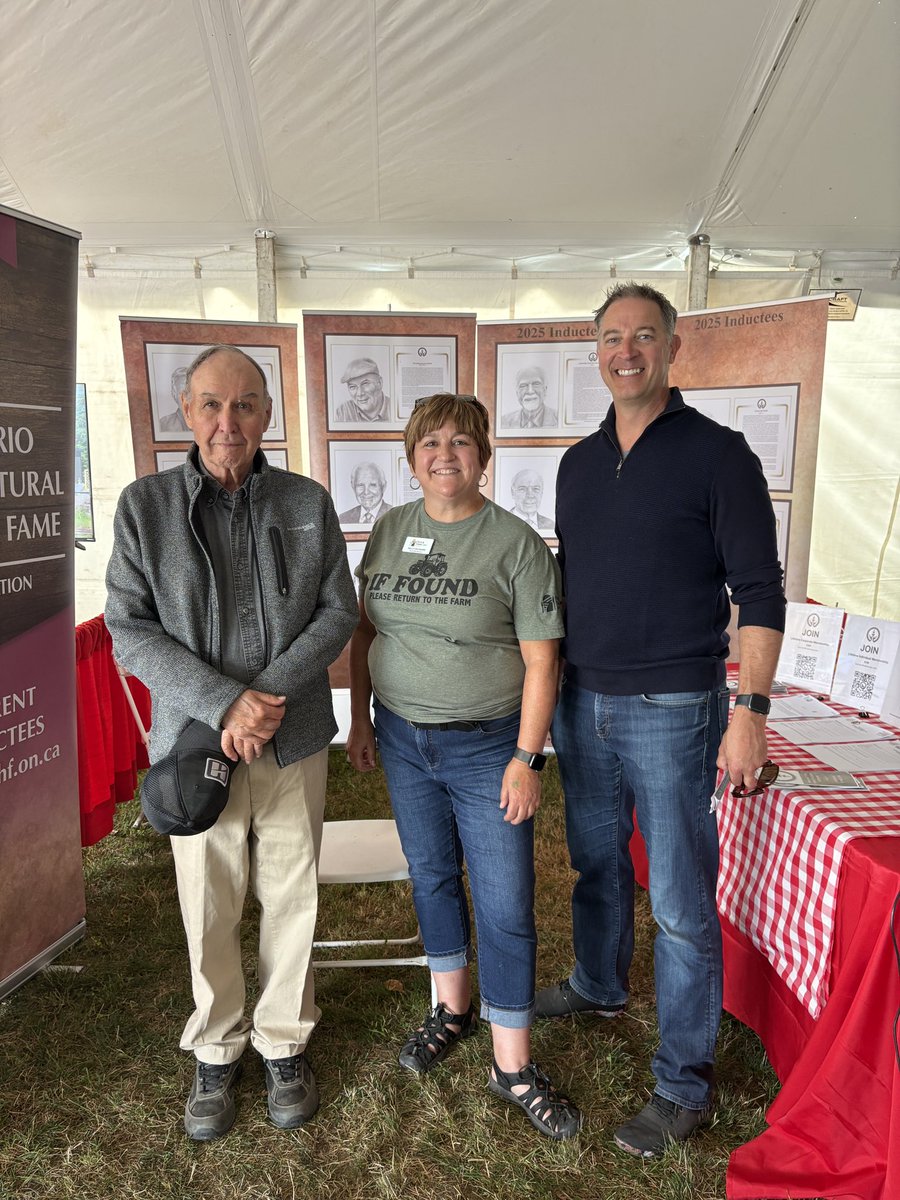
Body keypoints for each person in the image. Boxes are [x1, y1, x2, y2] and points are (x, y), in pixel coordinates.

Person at [538, 283, 785, 1157]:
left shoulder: (721, 455)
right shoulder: (577, 463)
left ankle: (684, 1084)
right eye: (613, 337)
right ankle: (598, 983)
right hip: (581, 700)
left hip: (676, 706)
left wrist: (749, 711)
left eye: (644, 335)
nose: (627, 351)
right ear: (596, 351)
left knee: (679, 902)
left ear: (673, 348)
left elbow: (760, 593)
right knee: (596, 862)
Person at [105, 345, 358, 1141]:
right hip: (194, 741)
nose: (228, 422)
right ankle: (216, 1046)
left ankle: (284, 1041)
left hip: (290, 736)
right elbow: (128, 627)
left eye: (245, 404)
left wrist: (264, 697)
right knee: (209, 899)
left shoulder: (307, 502)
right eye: (212, 404)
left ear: (267, 415)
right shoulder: (144, 507)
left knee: (292, 892)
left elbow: (338, 611)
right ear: (187, 411)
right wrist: (224, 703)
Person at [346, 393, 580, 1140]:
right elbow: (365, 631)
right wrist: (361, 718)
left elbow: (543, 662)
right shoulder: (390, 529)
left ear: (483, 456)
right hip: (403, 739)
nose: (444, 455)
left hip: (489, 748)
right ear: (411, 458)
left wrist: (527, 757)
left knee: (505, 901)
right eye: (430, 443)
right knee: (432, 875)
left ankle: (512, 1064)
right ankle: (452, 1008)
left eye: (460, 442)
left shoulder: (516, 544)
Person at [334, 357, 391, 422]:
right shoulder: (342, 412)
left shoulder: (395, 408)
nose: (360, 393)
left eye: (365, 384)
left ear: (379, 383)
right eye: (352, 387)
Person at [157, 365, 190, 434]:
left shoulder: (207, 420)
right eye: (182, 393)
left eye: (189, 392)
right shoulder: (163, 424)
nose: (186, 398)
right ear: (174, 394)